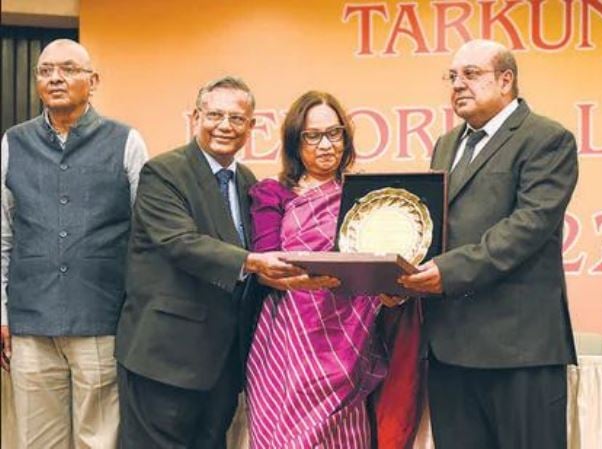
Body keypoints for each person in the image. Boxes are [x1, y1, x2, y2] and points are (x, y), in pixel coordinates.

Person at [400, 39, 579, 449]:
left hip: (518, 347)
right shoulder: (447, 144)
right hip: (449, 344)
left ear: (505, 80)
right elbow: (432, 227)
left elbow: (527, 227)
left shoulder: (546, 139)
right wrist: (400, 276)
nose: (458, 84)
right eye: (452, 76)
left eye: (471, 74)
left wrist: (448, 271)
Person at [114, 76, 310, 448]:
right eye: (214, 114)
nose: (224, 125)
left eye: (237, 118)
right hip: (165, 358)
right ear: (195, 117)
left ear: (251, 126)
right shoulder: (164, 172)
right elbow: (180, 242)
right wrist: (253, 262)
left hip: (221, 362)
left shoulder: (246, 180)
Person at [246, 90, 421, 449]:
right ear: (295, 142)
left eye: (335, 133)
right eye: (313, 136)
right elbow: (268, 262)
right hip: (289, 346)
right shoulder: (273, 194)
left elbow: (382, 268)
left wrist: (393, 292)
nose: (326, 145)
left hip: (349, 348)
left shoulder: (368, 198)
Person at [0, 39, 148, 448]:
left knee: (98, 440)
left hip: (101, 319)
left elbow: (145, 235)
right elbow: (3, 235)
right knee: (37, 441)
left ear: (92, 81)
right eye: (45, 71)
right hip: (30, 323)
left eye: (67, 69)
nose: (55, 78)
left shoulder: (126, 141)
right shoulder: (13, 143)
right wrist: (2, 312)